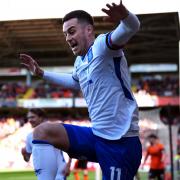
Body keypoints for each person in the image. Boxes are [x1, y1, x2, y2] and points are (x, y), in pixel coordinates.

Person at [20, 1, 142, 179]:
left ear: (89, 30)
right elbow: (75, 81)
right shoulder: (80, 62)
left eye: (71, 31)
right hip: (97, 136)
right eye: (65, 34)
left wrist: (125, 16)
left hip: (121, 142)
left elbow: (132, 27)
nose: (68, 38)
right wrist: (41, 73)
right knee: (42, 132)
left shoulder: (103, 46)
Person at [21, 108, 71, 180]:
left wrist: (68, 165)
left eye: (32, 117)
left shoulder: (53, 130)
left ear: (41, 117)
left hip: (59, 174)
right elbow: (27, 159)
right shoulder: (29, 137)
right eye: (28, 118)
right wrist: (24, 155)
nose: (30, 120)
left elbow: (70, 147)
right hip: (42, 175)